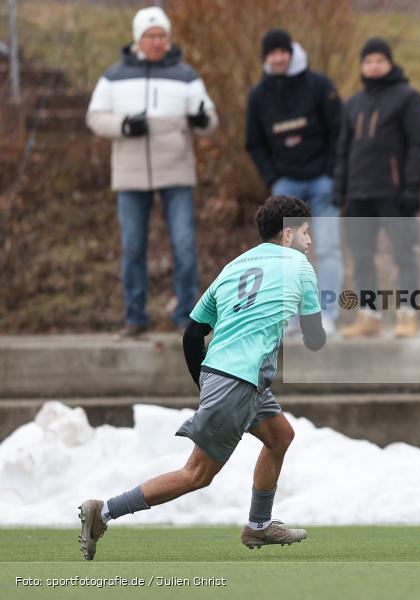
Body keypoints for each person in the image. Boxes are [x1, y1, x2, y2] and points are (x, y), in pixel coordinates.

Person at [78, 196, 327, 560]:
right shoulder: (299, 265)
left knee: (280, 436)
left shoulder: (234, 266)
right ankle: (104, 511)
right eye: (307, 232)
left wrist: (207, 384)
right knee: (197, 474)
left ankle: (258, 525)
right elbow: (315, 338)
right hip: (239, 381)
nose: (310, 240)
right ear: (288, 234)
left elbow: (193, 334)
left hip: (230, 377)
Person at [86, 6, 218, 338]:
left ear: (169, 38)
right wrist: (125, 125)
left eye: (162, 36)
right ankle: (135, 317)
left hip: (176, 172)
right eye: (150, 36)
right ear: (137, 39)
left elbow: (209, 118)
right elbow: (95, 117)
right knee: (133, 247)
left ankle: (187, 318)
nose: (157, 41)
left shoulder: (186, 75)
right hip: (131, 176)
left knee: (185, 245)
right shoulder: (113, 76)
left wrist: (202, 120)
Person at [246, 29, 343, 334]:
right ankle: (290, 316)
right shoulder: (258, 96)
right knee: (284, 255)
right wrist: (273, 177)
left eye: (282, 52)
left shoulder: (319, 86)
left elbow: (339, 132)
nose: (277, 58)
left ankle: (325, 315)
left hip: (322, 182)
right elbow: (254, 142)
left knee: (327, 248)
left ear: (291, 53)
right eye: (271, 53)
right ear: (265, 58)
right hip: (285, 184)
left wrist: (330, 173)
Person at [334, 37, 420, 339]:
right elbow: (342, 150)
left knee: (403, 254)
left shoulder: (408, 98)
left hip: (395, 193)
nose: (373, 66)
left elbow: (419, 145)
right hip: (359, 195)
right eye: (368, 61)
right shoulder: (353, 104)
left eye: (379, 60)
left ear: (389, 63)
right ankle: (369, 315)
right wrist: (341, 188)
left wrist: (411, 187)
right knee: (362, 257)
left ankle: (407, 314)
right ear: (362, 66)